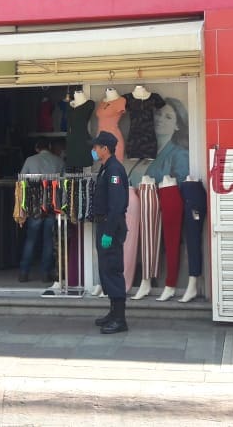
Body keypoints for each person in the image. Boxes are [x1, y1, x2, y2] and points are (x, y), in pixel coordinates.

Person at [90, 131, 130, 335]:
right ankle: (113, 313)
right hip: (105, 225)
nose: (94, 150)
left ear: (105, 148)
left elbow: (116, 205)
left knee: (112, 269)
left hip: (110, 226)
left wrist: (109, 232)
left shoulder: (114, 169)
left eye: (96, 147)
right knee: (106, 269)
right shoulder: (106, 168)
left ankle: (120, 319)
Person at [18, 140, 65, 283]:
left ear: (36, 147)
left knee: (31, 239)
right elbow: (63, 185)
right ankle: (45, 273)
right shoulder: (59, 161)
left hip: (35, 204)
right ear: (49, 147)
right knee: (49, 240)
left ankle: (24, 272)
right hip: (52, 204)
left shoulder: (30, 160)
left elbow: (21, 180)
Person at [145, 97, 191, 183]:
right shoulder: (146, 150)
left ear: (177, 126)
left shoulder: (180, 155)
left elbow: (181, 186)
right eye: (158, 114)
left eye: (168, 117)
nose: (160, 119)